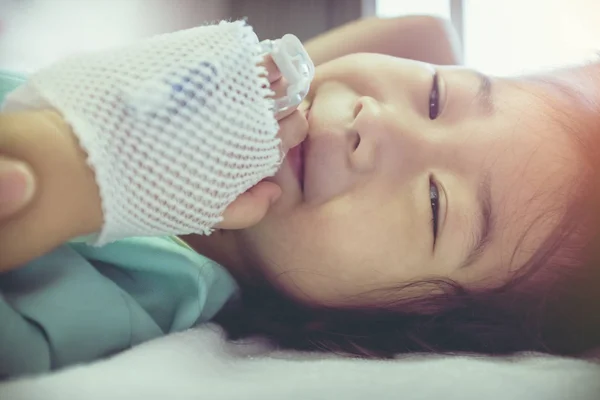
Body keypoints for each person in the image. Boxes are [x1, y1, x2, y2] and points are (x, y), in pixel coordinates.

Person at [1, 15, 599, 377]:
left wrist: (81, 170)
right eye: (437, 98)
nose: (376, 126)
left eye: (438, 204)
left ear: (383, 330)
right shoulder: (212, 105)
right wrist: (283, 82)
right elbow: (428, 31)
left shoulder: (133, 298)